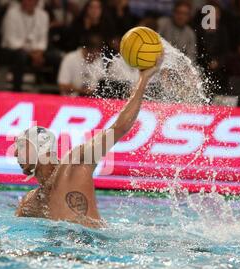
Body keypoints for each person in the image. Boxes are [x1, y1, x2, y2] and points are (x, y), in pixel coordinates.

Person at [14, 53, 163, 228]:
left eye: (22, 145)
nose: (16, 152)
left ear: (42, 147)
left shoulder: (75, 163)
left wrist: (143, 79)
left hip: (98, 248)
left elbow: (119, 128)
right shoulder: (30, 203)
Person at [0, 0, 60, 92]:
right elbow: (10, 40)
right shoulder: (12, 13)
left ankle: (52, 92)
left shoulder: (43, 15)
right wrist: (32, 54)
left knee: (56, 57)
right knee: (21, 56)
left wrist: (39, 52)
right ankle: (16, 91)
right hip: (12, 51)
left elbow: (43, 39)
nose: (29, 2)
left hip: (36, 51)